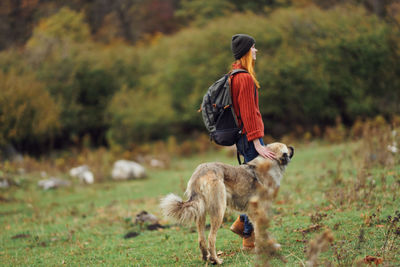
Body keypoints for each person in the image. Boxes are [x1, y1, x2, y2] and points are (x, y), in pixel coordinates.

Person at [228, 34, 276, 250]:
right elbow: (248, 113)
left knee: (249, 186)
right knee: (257, 188)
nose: (257, 51)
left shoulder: (234, 75)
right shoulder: (245, 78)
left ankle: (240, 223)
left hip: (244, 138)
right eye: (254, 48)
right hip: (250, 138)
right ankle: (250, 236)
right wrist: (257, 143)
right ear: (247, 51)